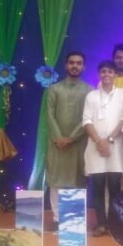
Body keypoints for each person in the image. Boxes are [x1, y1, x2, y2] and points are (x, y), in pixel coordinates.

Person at [82, 60, 123, 237]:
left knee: (114, 187)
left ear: (115, 75)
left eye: (110, 72)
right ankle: (101, 224)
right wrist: (99, 142)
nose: (106, 75)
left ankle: (113, 223)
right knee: (97, 186)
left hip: (116, 148)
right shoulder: (91, 96)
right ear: (99, 74)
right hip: (95, 148)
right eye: (103, 71)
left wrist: (109, 140)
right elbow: (86, 121)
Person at [46, 52, 92, 229]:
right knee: (56, 180)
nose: (75, 66)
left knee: (77, 180)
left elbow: (87, 118)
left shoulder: (89, 91)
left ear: (84, 67)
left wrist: (71, 138)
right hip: (57, 143)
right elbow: (49, 115)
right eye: (71, 62)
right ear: (66, 65)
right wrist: (59, 138)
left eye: (79, 63)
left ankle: (74, 219)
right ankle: (57, 218)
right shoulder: (54, 89)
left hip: (79, 143)